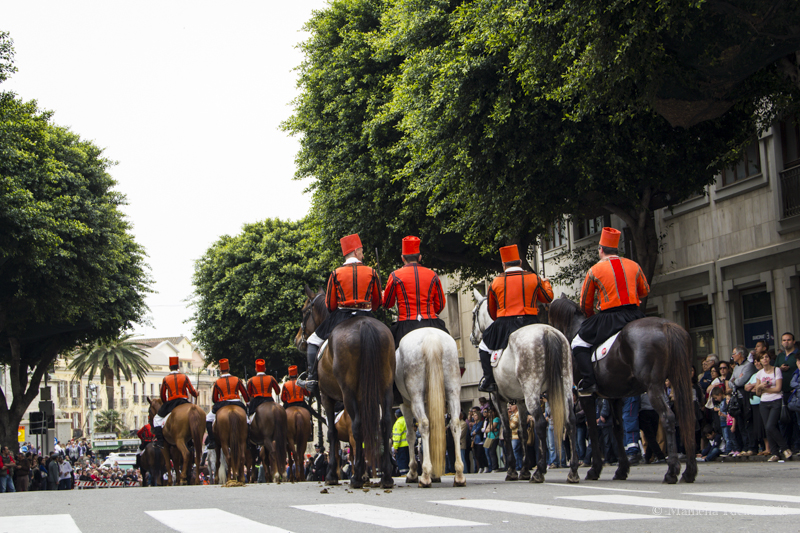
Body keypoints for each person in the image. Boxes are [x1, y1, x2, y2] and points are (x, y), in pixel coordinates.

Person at [571, 227, 649, 396]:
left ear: (601, 249)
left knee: (578, 343)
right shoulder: (634, 265)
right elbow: (645, 291)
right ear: (616, 249)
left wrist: (591, 319)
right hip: (634, 314)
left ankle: (589, 382)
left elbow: (585, 304)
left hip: (609, 318)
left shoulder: (594, 270)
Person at [300, 233, 381, 394]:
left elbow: (330, 305)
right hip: (367, 315)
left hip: (342, 316)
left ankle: (312, 378)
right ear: (356, 251)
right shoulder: (372, 272)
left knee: (312, 341)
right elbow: (377, 302)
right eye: (362, 251)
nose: (363, 255)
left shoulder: (336, 273)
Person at [478, 244, 553, 392]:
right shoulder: (533, 278)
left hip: (505, 323)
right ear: (520, 262)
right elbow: (548, 298)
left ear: (503, 265)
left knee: (483, 346)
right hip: (530, 321)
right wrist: (546, 283)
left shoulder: (496, 282)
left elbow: (492, 312)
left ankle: (489, 380)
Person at [383, 235, 448, 347]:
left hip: (405, 324)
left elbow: (388, 304)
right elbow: (440, 304)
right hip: (431, 321)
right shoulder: (433, 275)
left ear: (403, 258)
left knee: (389, 352)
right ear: (420, 257)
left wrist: (383, 296)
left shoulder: (395, 275)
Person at [754, 351, 792, 462]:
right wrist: (760, 386)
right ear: (759, 361)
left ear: (770, 359)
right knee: (767, 428)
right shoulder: (759, 374)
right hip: (764, 402)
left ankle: (785, 448)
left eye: (766, 357)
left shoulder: (776, 370)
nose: (764, 359)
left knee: (771, 425)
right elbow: (757, 392)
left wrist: (763, 389)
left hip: (776, 400)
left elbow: (778, 388)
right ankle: (775, 453)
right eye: (762, 357)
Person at [153, 355, 199, 448]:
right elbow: (192, 391)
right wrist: (196, 394)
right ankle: (191, 441)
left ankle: (160, 441)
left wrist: (165, 403)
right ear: (178, 367)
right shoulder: (184, 377)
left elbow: (162, 394)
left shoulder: (166, 379)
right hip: (184, 401)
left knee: (156, 419)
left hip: (171, 403)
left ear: (170, 367)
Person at [206, 358, 250, 447]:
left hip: (222, 403)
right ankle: (248, 441)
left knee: (208, 419)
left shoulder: (217, 382)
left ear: (220, 370)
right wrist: (247, 402)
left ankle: (212, 441)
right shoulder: (237, 379)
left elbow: (214, 399)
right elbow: (245, 394)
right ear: (229, 368)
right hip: (237, 402)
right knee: (247, 421)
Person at [775, 333, 799, 451]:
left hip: (794, 392)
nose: (786, 342)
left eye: (789, 340)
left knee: (795, 420)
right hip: (781, 392)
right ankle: (785, 446)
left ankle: (796, 445)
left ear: (793, 341)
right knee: (783, 420)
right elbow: (773, 370)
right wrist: (780, 369)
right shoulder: (780, 356)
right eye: (784, 340)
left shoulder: (797, 354)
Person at [392, 409, 410, 475]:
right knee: (408, 460)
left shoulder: (398, 423)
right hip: (408, 445)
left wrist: (395, 447)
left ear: (396, 416)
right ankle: (409, 473)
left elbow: (397, 436)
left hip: (401, 446)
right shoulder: (406, 420)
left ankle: (403, 474)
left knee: (402, 461)